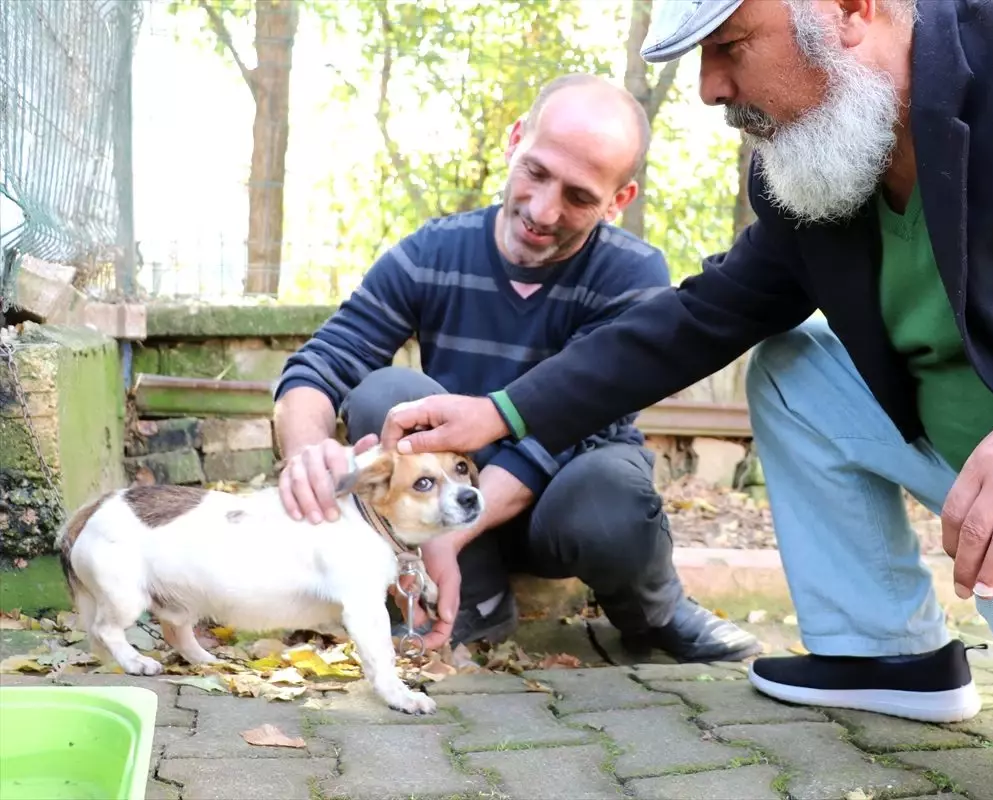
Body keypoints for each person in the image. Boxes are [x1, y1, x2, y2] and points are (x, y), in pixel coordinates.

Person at [374, 2, 993, 799]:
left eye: (730, 44)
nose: (707, 88)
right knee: (794, 367)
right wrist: (504, 412)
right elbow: (699, 317)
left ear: (847, 7)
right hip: (987, 449)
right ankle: (886, 658)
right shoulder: (819, 173)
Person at [271, 73, 763, 665]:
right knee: (387, 394)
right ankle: (473, 603)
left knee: (611, 493)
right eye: (536, 172)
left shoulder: (632, 275)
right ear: (514, 142)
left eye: (580, 197)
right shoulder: (432, 251)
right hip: (451, 494)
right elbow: (322, 363)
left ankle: (651, 612)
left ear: (618, 200)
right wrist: (305, 453)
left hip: (563, 503)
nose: (542, 210)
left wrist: (453, 531)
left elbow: (578, 425)